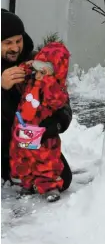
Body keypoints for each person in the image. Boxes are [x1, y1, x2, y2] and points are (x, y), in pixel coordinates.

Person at [1, 9, 72, 193]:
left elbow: (63, 102)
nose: (15, 47)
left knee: (64, 178)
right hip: (4, 139)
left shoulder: (37, 61)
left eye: (19, 40)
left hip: (33, 139)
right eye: (8, 43)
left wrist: (54, 125)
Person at [10, 42, 70, 202]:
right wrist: (28, 67)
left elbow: (57, 101)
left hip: (42, 132)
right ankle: (27, 183)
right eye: (38, 67)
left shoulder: (56, 86)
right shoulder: (30, 79)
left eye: (44, 69)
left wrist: (48, 81)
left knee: (45, 160)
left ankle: (49, 186)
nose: (38, 73)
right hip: (23, 126)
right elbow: (21, 74)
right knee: (22, 156)